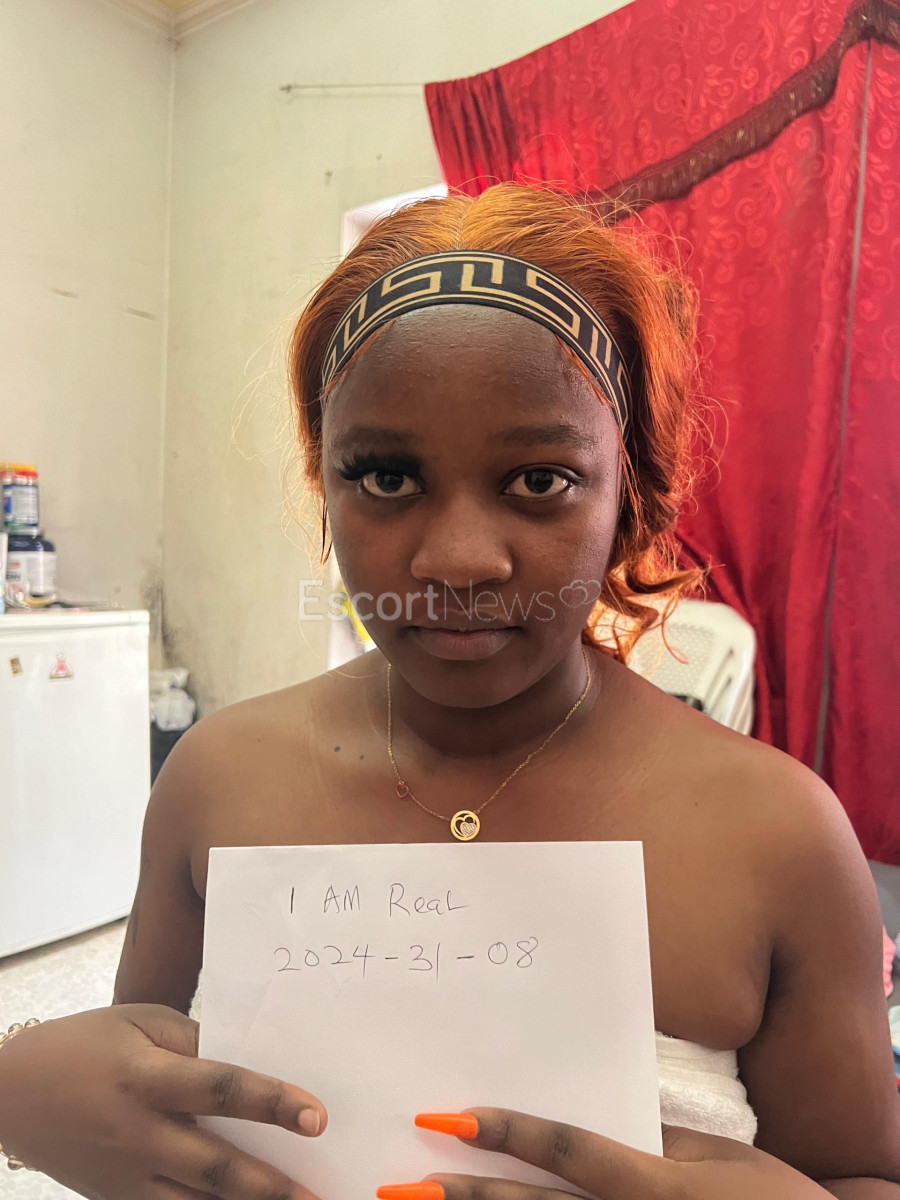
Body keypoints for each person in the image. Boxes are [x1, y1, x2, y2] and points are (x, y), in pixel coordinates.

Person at [1, 184, 897, 1199]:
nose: (458, 560)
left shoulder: (779, 838)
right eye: (386, 477)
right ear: (324, 484)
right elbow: (149, 1129)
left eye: (539, 480)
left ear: (632, 498)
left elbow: (862, 1177)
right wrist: (18, 1093)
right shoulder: (216, 782)